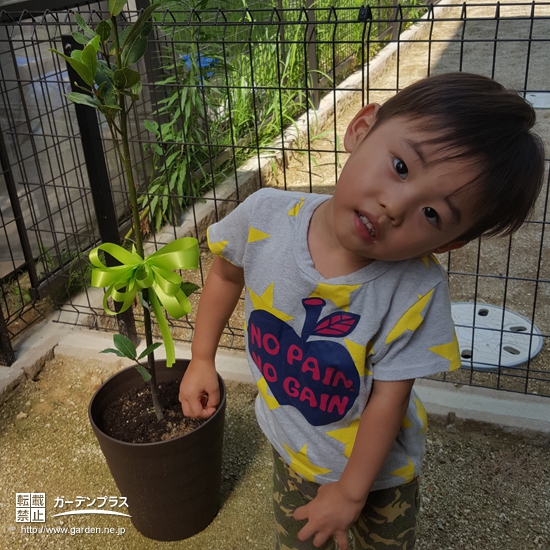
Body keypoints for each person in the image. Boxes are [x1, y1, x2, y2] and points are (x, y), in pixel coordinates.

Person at [179, 72, 545, 549]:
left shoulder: (415, 290)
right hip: (292, 448)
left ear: (450, 242)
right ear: (362, 128)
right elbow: (228, 272)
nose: (395, 206)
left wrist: (351, 495)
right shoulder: (265, 216)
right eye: (400, 166)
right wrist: (201, 358)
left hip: (379, 479)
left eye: (432, 214)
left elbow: (389, 399)